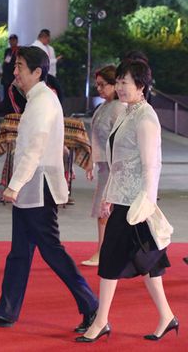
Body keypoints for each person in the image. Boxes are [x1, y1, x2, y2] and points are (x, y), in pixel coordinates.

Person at [0, 46, 98, 333]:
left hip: (37, 187)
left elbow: (35, 148)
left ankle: (92, 306)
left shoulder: (42, 102)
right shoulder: (38, 99)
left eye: (19, 67)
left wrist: (14, 186)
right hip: (32, 186)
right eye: (15, 66)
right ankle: (6, 311)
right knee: (19, 253)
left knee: (52, 251)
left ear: (37, 72)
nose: (14, 72)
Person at [76, 60, 177, 343]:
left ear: (141, 86)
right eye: (118, 81)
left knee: (109, 259)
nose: (119, 87)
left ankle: (101, 321)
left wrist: (146, 203)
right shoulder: (127, 112)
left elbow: (152, 166)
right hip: (122, 198)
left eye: (125, 82)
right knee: (149, 263)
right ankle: (167, 316)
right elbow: (117, 161)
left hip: (135, 204)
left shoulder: (145, 118)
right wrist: (108, 193)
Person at [81, 66, 124, 267]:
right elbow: (97, 140)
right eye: (96, 84)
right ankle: (105, 251)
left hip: (115, 168)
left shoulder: (118, 107)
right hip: (106, 167)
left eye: (102, 84)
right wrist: (92, 160)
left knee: (104, 212)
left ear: (115, 85)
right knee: (105, 212)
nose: (98, 88)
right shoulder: (105, 106)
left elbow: (120, 142)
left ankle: (103, 251)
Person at [1, 34, 19, 108]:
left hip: (14, 76)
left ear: (17, 41)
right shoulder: (8, 51)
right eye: (10, 40)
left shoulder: (19, 50)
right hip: (6, 77)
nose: (12, 42)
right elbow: (5, 63)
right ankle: (6, 109)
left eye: (13, 40)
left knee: (14, 95)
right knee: (6, 95)